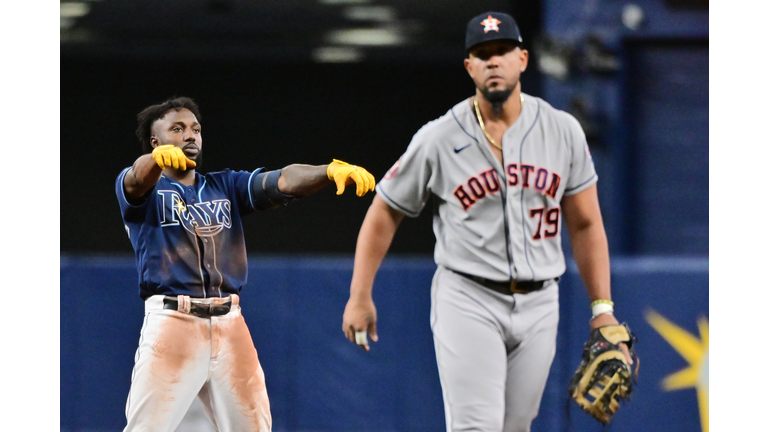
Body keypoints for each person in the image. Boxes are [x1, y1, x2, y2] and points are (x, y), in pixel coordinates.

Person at [341, 11, 633, 432]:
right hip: (468, 297)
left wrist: (602, 309)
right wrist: (359, 293)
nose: (493, 61)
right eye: (482, 54)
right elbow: (385, 209)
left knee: (516, 427)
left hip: (539, 303)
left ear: (523, 59)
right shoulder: (439, 136)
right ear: (469, 66)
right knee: (476, 427)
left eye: (502, 51)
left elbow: (586, 224)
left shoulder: (562, 130)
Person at [116, 96, 375, 432]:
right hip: (173, 323)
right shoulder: (146, 193)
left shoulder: (225, 185)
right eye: (177, 129)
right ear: (156, 141)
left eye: (195, 129)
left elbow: (281, 180)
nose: (190, 136)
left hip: (230, 324)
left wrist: (327, 171)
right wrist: (151, 161)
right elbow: (135, 180)